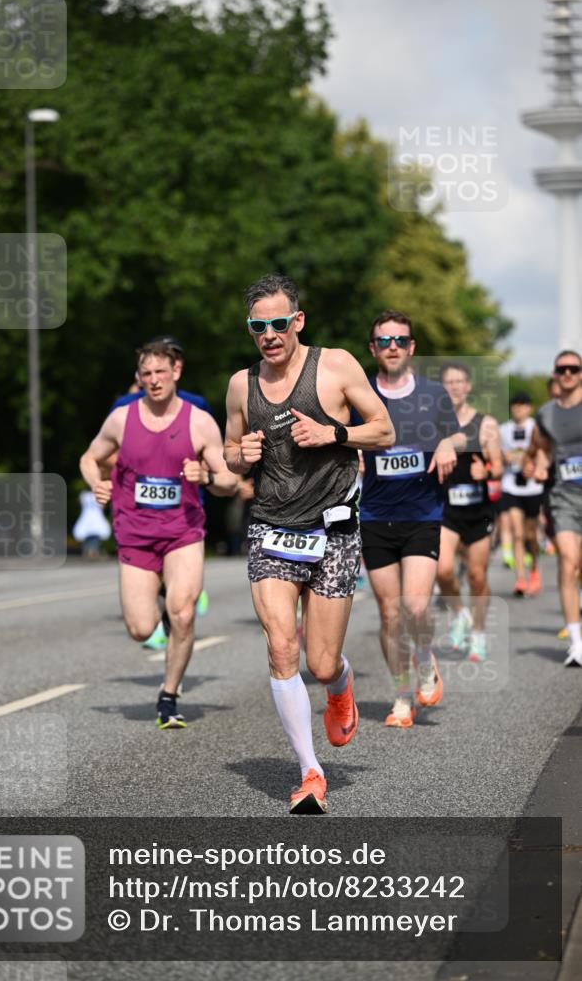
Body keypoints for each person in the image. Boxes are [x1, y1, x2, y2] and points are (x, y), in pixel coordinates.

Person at [224, 274, 394, 814]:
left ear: (297, 321)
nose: (269, 335)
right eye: (258, 326)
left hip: (334, 528)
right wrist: (240, 452)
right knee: (281, 647)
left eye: (279, 323)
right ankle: (310, 772)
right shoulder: (240, 385)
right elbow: (229, 453)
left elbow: (384, 431)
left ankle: (339, 684)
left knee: (320, 663)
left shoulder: (337, 365)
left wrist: (333, 434)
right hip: (272, 525)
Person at [81, 341, 237, 726]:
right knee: (140, 629)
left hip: (183, 531)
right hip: (135, 533)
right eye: (146, 374)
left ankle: (168, 695)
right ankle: (163, 603)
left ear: (176, 372)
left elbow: (230, 481)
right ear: (139, 378)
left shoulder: (199, 421)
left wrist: (209, 477)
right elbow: (90, 457)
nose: (153, 380)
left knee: (183, 613)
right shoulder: (121, 418)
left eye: (160, 373)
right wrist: (96, 484)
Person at [358, 314, 464, 728]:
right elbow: (345, 433)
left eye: (400, 339)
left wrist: (445, 443)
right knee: (389, 614)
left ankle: (424, 661)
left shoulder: (434, 393)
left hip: (423, 512)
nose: (392, 345)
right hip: (375, 514)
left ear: (412, 347)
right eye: (383, 339)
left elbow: (456, 433)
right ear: (373, 348)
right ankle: (402, 696)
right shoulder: (362, 393)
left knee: (416, 608)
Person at [436, 362, 503, 662]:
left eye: (459, 381)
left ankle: (477, 632)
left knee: (477, 576)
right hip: (446, 509)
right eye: (448, 382)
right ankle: (459, 613)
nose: (454, 387)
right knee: (443, 569)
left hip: (478, 511)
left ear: (468, 386)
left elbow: (500, 467)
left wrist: (485, 470)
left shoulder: (485, 423)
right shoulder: (434, 423)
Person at [524, 349, 582, 667]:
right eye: (562, 369)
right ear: (556, 373)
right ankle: (577, 642)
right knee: (568, 561)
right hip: (564, 497)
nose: (568, 374)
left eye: (574, 368)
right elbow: (543, 452)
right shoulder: (546, 414)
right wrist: (540, 467)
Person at [498, 393, 544, 595]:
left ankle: (534, 568)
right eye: (515, 405)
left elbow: (544, 453)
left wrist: (534, 465)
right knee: (517, 532)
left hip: (533, 487)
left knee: (530, 535)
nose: (518, 409)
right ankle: (521, 579)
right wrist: (503, 456)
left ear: (530, 408)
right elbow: (496, 453)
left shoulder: (537, 427)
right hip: (511, 485)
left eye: (522, 405)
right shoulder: (503, 430)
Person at [110, 335, 213, 416]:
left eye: (176, 357)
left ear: (180, 364)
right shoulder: (124, 405)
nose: (172, 361)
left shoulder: (198, 404)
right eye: (163, 357)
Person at [72, 489, 111, 558]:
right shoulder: (92, 494)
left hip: (92, 517)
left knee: (93, 536)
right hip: (92, 517)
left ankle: (91, 551)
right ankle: (91, 551)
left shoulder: (84, 495)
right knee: (91, 536)